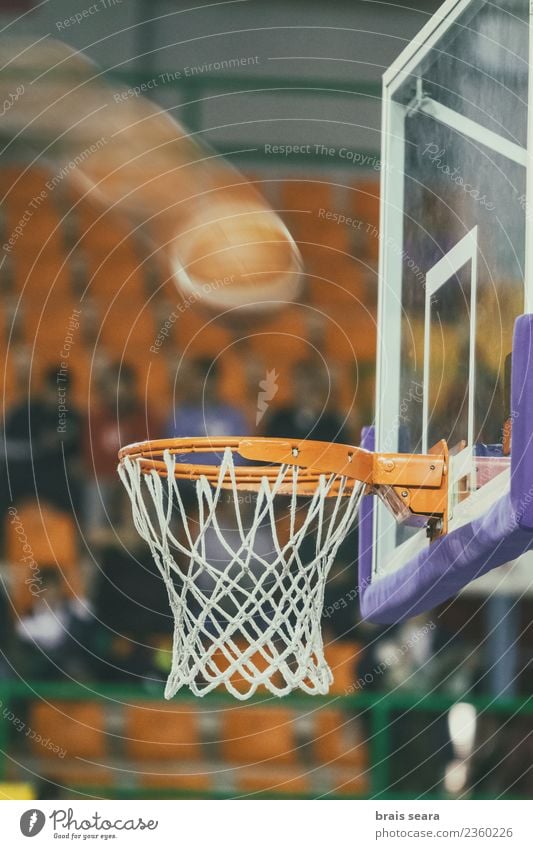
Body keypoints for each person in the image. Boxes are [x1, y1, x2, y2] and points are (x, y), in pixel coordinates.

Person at [84, 362, 160, 533]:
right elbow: (92, 458)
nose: (117, 392)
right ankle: (93, 544)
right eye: (111, 387)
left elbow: (151, 456)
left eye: (121, 386)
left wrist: (130, 476)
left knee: (156, 486)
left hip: (138, 478)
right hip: (105, 478)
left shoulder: (145, 417)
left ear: (131, 388)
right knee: (95, 488)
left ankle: (162, 545)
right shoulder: (96, 419)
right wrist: (116, 474)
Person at [2, 360, 83, 514]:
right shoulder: (23, 413)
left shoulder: (73, 417)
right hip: (20, 471)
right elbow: (5, 447)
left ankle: (77, 536)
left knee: (75, 488)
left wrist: (77, 461)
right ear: (44, 388)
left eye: (63, 392)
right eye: (53, 390)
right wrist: (38, 446)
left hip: (55, 474)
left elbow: (79, 451)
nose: (57, 397)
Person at [264, 359, 350, 443]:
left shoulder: (332, 425)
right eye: (300, 383)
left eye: (309, 383)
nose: (304, 388)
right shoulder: (279, 420)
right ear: (293, 385)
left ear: (318, 386)